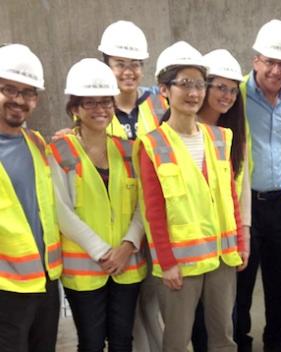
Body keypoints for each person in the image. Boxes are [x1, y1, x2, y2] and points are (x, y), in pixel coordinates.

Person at [134, 41, 248, 352]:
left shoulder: (220, 137)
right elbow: (152, 211)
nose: (194, 92)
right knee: (177, 341)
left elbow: (230, 196)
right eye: (184, 84)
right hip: (179, 265)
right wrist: (166, 262)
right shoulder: (153, 144)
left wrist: (240, 241)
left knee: (223, 337)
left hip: (222, 258)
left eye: (198, 84)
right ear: (164, 90)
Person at [49, 58, 146, 351]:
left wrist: (127, 246)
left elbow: (144, 204)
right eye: (89, 103)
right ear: (75, 109)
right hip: (84, 268)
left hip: (127, 263)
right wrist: (104, 253)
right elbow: (61, 211)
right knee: (90, 343)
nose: (100, 110)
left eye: (105, 102)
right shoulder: (60, 151)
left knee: (122, 340)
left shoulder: (129, 150)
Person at [97, 20, 166, 352]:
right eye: (120, 64)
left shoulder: (158, 106)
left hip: (159, 219)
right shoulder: (95, 109)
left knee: (157, 301)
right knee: (130, 308)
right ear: (106, 65)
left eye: (135, 65)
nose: (129, 71)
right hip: (121, 223)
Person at [235, 19, 281, 352]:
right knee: (241, 287)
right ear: (255, 60)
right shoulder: (233, 94)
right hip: (244, 206)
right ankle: (241, 345)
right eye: (270, 61)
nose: (277, 70)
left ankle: (277, 344)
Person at [0, 43, 62, 352]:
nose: (19, 100)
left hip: (45, 281)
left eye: (28, 93)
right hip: (4, 288)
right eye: (9, 89)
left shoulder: (37, 143)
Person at [191, 48, 250, 352]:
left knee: (225, 321)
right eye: (220, 88)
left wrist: (245, 235)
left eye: (232, 90)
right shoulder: (185, 128)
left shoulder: (233, 132)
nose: (226, 96)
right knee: (196, 324)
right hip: (193, 244)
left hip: (227, 243)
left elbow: (242, 186)